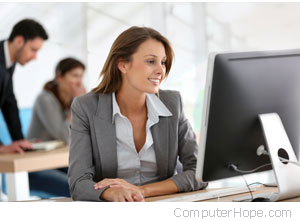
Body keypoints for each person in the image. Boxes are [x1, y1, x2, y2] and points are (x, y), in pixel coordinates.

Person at [68, 26, 206, 202]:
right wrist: (112, 193)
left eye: (163, 62)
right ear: (122, 64)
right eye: (151, 61)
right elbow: (79, 183)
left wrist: (142, 191)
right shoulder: (86, 107)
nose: (160, 70)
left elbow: (199, 172)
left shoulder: (172, 102)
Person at [0, 19, 48, 153]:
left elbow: (9, 102)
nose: (35, 57)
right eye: (33, 50)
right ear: (19, 41)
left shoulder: (8, 61)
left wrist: (19, 140)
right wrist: (1, 148)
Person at [27, 57, 86, 144]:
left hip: (59, 153)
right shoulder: (44, 99)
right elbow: (65, 137)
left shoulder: (70, 99)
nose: (80, 82)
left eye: (81, 76)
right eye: (75, 76)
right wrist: (77, 104)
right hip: (36, 155)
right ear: (59, 77)